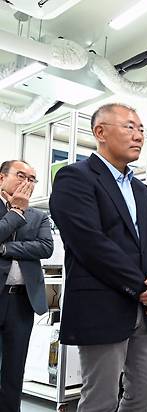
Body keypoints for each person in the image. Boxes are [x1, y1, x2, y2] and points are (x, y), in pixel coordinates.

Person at [49, 103, 147, 412]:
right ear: (100, 132)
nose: (139, 136)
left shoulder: (141, 190)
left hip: (146, 308)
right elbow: (90, 244)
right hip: (103, 304)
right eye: (129, 127)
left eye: (141, 129)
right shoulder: (74, 178)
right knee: (101, 399)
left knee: (146, 390)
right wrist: (142, 286)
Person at [0, 160, 53, 411]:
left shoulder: (39, 216)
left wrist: (5, 248)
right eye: (21, 176)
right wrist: (15, 213)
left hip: (22, 301)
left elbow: (45, 247)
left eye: (32, 179)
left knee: (15, 367)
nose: (27, 183)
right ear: (2, 178)